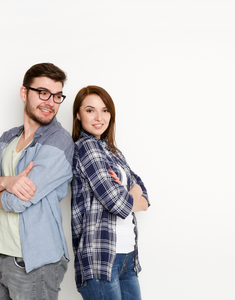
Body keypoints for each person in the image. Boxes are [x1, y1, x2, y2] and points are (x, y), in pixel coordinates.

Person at [0, 63, 74, 300]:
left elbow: (17, 203)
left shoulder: (59, 143)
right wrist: (7, 182)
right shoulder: (8, 138)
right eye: (43, 93)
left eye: (57, 96)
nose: (51, 102)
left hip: (34, 265)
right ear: (24, 93)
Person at [71, 85, 150, 300]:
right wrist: (132, 192)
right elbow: (117, 204)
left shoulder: (112, 151)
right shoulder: (86, 147)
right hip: (101, 259)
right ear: (78, 115)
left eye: (105, 110)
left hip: (127, 257)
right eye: (90, 110)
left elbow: (145, 195)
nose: (99, 117)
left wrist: (131, 191)